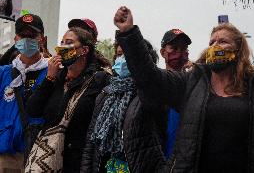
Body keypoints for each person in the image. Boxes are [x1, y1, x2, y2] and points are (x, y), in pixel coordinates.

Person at [113, 6, 254, 172]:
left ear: (238, 50)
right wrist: (129, 33)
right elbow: (149, 77)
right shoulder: (191, 83)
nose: (215, 46)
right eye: (212, 42)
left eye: (223, 41)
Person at [24, 27, 110, 172]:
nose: (62, 47)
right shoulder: (56, 77)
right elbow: (33, 110)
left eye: (68, 43)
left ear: (84, 50)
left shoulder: (99, 80)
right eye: (61, 42)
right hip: (48, 157)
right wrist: (49, 78)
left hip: (78, 161)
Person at [80, 39, 167, 173]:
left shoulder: (150, 94)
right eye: (119, 54)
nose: (122, 59)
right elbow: (91, 141)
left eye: (127, 55)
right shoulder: (107, 92)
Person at [0, 14, 48, 172]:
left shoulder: (53, 72)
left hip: (38, 155)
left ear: (42, 38)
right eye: (22, 35)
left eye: (32, 35)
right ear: (15, 39)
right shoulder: (3, 73)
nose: (27, 40)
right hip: (6, 156)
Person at [160, 29, 192, 159]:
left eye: (183, 49)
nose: (179, 53)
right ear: (163, 52)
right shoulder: (156, 83)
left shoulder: (194, 84)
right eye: (173, 48)